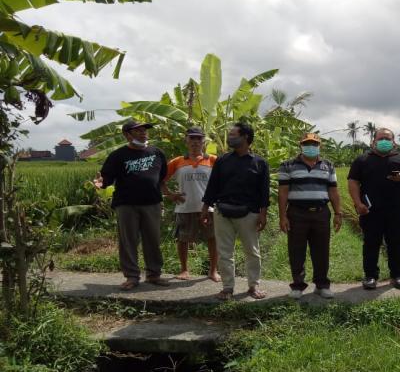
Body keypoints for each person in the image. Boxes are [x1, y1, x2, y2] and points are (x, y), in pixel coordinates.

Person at [93, 119, 169, 291]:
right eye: (138, 131)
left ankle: (154, 274)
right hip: (126, 205)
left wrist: (168, 194)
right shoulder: (118, 155)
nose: (143, 133)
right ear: (127, 135)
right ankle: (132, 276)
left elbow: (162, 176)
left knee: (153, 240)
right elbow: (106, 178)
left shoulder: (157, 153)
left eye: (144, 130)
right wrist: (100, 183)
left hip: (152, 203)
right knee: (128, 241)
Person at [201, 123, 270, 301]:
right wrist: (205, 209)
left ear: (245, 137)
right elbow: (212, 187)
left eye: (233, 135)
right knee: (224, 252)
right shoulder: (222, 160)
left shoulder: (260, 163)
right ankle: (227, 288)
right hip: (222, 211)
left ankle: (253, 286)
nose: (230, 138)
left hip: (249, 213)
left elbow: (264, 192)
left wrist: (263, 213)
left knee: (252, 251)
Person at [347, 128, 400, 290]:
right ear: (373, 141)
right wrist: (358, 204)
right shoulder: (362, 160)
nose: (384, 141)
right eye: (381, 138)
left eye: (387, 138)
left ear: (394, 142)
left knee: (395, 241)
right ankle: (370, 276)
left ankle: (397, 275)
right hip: (370, 210)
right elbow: (353, 182)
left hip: (396, 209)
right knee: (371, 242)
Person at [278, 133, 343, 299]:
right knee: (296, 250)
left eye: (314, 144)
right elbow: (283, 192)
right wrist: (282, 216)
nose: (311, 146)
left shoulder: (328, 165)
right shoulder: (288, 165)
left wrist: (338, 213)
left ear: (319, 146)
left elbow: (333, 191)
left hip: (321, 213)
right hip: (296, 213)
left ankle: (322, 285)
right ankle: (297, 286)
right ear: (300, 145)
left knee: (321, 250)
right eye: (307, 143)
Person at [163, 126, 219, 281]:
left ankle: (213, 271)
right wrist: (170, 195)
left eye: (198, 138)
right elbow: (161, 180)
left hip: (209, 208)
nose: (195, 142)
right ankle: (184, 270)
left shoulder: (213, 160)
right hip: (184, 207)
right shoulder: (177, 162)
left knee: (212, 238)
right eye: (192, 138)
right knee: (183, 239)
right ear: (186, 141)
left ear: (203, 141)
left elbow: (224, 180)